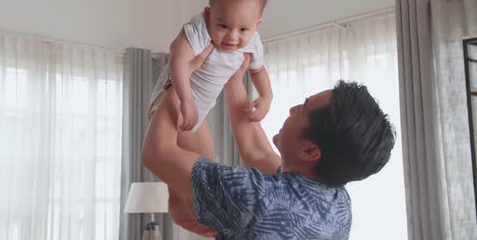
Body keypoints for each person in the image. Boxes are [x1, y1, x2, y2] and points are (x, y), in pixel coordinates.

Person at [142, 54, 396, 239]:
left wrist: (179, 79)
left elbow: (158, 153)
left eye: (303, 108)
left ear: (309, 151)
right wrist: (234, 79)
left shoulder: (256, 197)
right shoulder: (337, 202)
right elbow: (257, 152)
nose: (293, 108)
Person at [146, 0, 273, 227]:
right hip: (176, 98)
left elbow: (258, 70)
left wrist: (267, 96)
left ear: (257, 25)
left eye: (243, 29)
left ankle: (186, 203)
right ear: (208, 14)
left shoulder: (252, 42)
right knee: (187, 170)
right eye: (223, 25)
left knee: (206, 166)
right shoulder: (200, 29)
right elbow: (178, 60)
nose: (232, 37)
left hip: (198, 110)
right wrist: (186, 100)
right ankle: (179, 202)